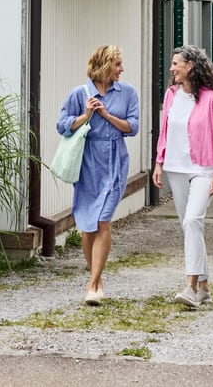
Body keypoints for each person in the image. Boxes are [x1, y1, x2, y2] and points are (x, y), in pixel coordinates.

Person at [58, 44, 139, 305]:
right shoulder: (78, 93)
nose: (121, 68)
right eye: (117, 64)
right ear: (104, 65)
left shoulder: (127, 93)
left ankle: (92, 284)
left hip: (114, 159)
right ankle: (97, 278)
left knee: (103, 220)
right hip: (88, 161)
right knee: (86, 225)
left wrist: (106, 114)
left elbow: (133, 127)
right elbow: (62, 125)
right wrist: (86, 115)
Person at [151, 45, 213, 307]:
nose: (172, 68)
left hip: (203, 170)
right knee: (189, 226)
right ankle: (205, 287)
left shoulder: (212, 99)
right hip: (175, 168)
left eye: (176, 64)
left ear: (191, 66)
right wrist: (159, 162)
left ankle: (191, 287)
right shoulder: (172, 94)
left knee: (194, 220)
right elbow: (164, 131)